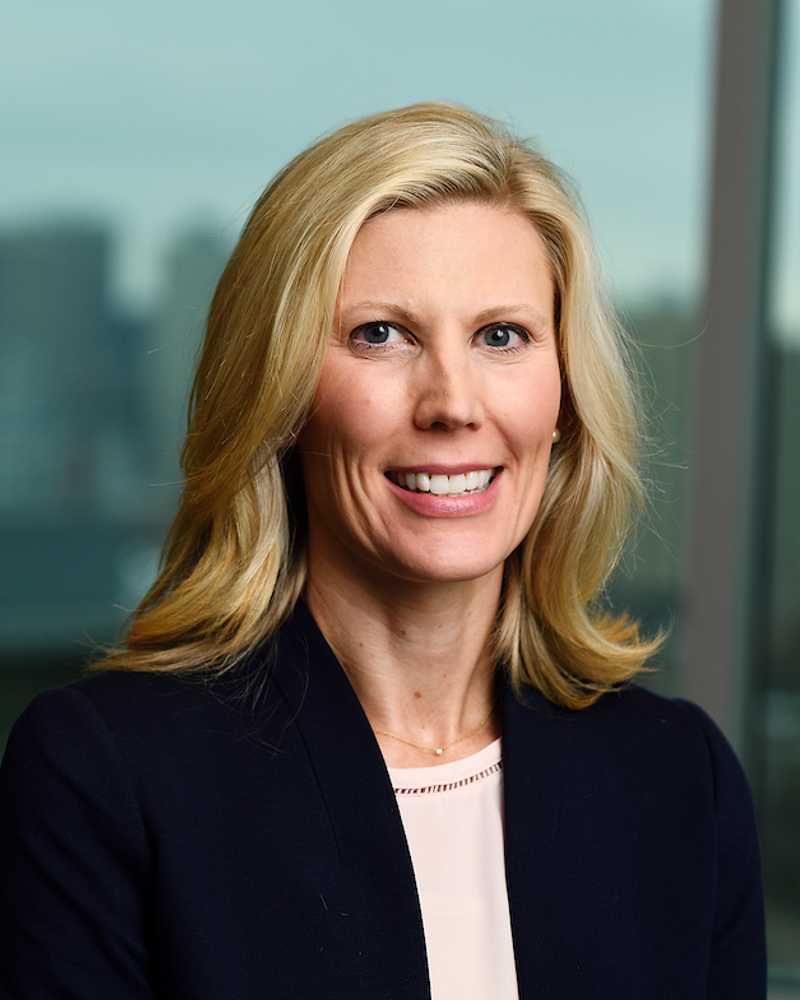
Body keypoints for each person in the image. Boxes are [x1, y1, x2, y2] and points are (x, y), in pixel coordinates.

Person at [0, 103, 766, 999]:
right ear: (281, 396)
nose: (452, 402)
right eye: (381, 335)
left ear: (563, 402)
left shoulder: (678, 779)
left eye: (501, 336)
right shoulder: (106, 774)